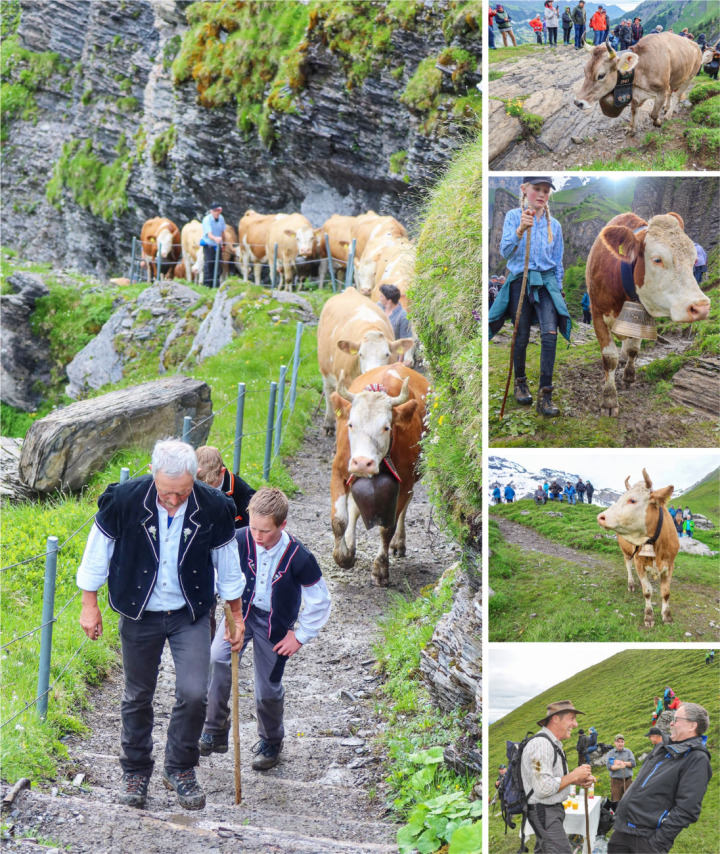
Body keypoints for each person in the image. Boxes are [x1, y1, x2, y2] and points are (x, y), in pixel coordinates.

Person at [76, 439, 245, 810]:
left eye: (182, 493)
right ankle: (135, 771)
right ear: (153, 476)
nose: (174, 501)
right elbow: (95, 554)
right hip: (139, 613)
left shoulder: (214, 506)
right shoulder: (123, 500)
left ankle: (180, 767)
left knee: (194, 692)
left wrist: (236, 615)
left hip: (190, 612)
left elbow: (229, 567)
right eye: (167, 493)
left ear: (195, 478)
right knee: (137, 695)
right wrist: (90, 605)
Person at [199, 488, 331, 771]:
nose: (257, 537)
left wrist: (300, 635)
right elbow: (214, 572)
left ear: (282, 525)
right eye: (254, 528)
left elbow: (320, 600)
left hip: (274, 624)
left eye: (266, 531)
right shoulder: (238, 540)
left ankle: (271, 741)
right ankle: (215, 728)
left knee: (267, 688)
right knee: (216, 658)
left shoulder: (300, 557)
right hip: (238, 613)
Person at [490, 177, 570, 417]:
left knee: (550, 335)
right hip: (520, 278)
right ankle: (520, 382)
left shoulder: (553, 225)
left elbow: (557, 261)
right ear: (524, 190)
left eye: (546, 191)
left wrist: (559, 290)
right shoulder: (514, 217)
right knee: (521, 335)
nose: (542, 194)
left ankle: (546, 394)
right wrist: (520, 230)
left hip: (545, 282)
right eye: (537, 189)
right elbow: (504, 251)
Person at [609, 703, 712, 853]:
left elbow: (687, 808)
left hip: (647, 839)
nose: (671, 723)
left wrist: (658, 842)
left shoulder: (697, 758)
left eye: (676, 719)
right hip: (623, 830)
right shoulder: (662, 747)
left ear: (692, 726)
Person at [521, 700, 596, 854]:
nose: (575, 725)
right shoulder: (541, 745)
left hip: (549, 811)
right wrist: (573, 775)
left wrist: (577, 779)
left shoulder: (551, 744)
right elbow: (543, 787)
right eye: (571, 718)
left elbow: (548, 779)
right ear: (556, 718)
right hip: (544, 811)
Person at [196, 446, 255, 530]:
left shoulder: (242, 492)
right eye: (202, 485)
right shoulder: (187, 485)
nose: (206, 490)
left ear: (222, 471)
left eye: (211, 484)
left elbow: (256, 525)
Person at [201, 203, 226, 288]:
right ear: (211, 211)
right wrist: (216, 239)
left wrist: (224, 242)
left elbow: (223, 232)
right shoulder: (207, 220)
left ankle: (216, 286)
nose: (217, 213)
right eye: (215, 211)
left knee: (218, 266)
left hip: (218, 245)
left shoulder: (221, 218)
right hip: (209, 245)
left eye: (218, 211)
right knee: (209, 265)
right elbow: (209, 234)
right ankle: (207, 286)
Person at [607, 735, 636, 803]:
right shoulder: (611, 753)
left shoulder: (628, 752)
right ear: (615, 742)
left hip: (628, 780)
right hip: (616, 782)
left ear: (624, 742)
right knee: (616, 801)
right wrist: (620, 766)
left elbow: (633, 763)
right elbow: (609, 767)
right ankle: (616, 813)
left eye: (622, 742)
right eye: (618, 742)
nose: (620, 744)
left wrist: (621, 762)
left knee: (629, 801)